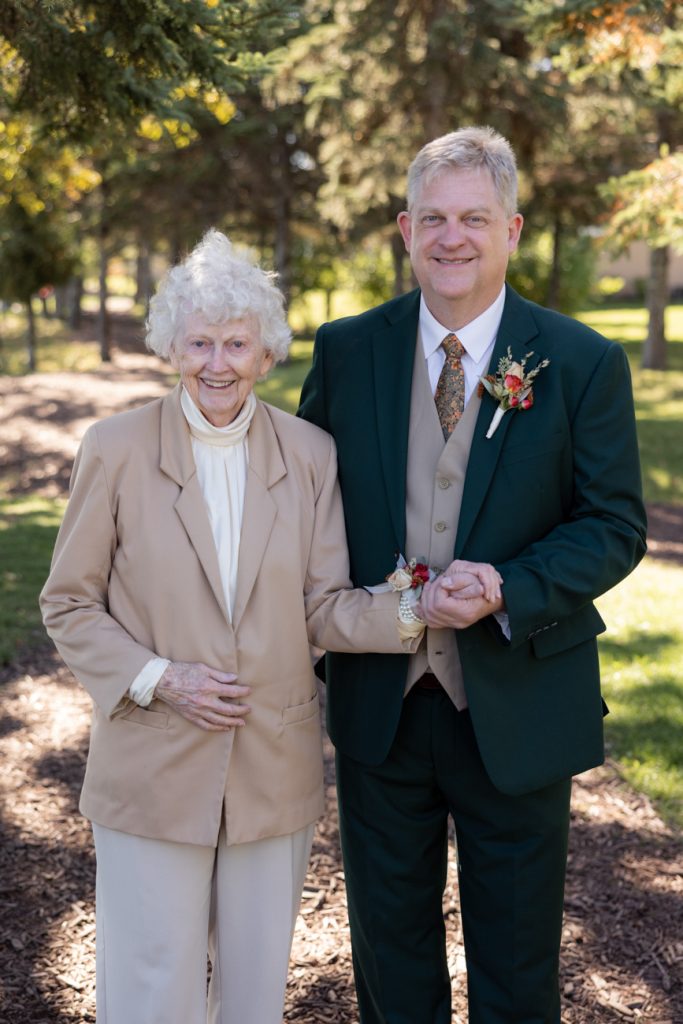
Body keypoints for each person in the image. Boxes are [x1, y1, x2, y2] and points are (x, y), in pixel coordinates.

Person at [39, 229, 499, 1024]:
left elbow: (323, 605)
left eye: (236, 344)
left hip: (270, 761)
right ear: (171, 348)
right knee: (151, 986)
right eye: (199, 343)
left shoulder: (309, 453)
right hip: (151, 761)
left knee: (255, 996)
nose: (217, 363)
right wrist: (162, 678)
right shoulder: (113, 449)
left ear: (265, 354)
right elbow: (69, 602)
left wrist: (416, 611)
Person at [298, 126, 647, 1024]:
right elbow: (305, 516)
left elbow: (613, 526)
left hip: (519, 701)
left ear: (512, 230)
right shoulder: (345, 351)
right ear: (405, 231)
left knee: (517, 964)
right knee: (390, 958)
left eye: (474, 219)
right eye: (433, 218)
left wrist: (507, 586)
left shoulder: (581, 361)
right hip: (381, 702)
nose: (451, 237)